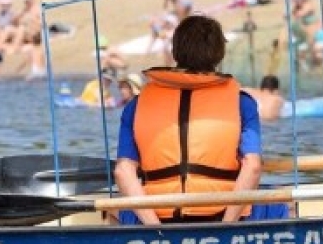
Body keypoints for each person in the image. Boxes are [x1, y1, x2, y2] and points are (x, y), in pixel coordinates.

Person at [112, 15, 267, 225]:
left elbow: (123, 171)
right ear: (219, 54)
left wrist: (154, 227)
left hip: (158, 219)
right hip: (221, 216)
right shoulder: (242, 103)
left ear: (175, 52)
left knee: (117, 212)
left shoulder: (136, 106)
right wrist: (227, 226)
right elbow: (253, 167)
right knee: (276, 204)